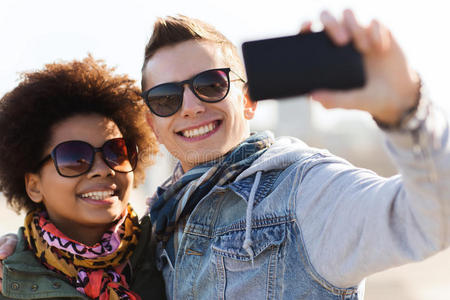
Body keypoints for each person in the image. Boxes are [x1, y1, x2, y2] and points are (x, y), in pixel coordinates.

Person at [2, 9, 450, 299]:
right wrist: (18, 253)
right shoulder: (159, 227)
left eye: (211, 84)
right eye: (164, 98)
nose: (192, 106)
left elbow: (430, 219)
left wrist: (406, 110)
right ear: (154, 123)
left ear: (248, 100)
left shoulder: (302, 190)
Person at [0, 57, 165, 299]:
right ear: (34, 186)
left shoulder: (172, 253)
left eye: (116, 152)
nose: (103, 169)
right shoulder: (8, 280)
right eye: (75, 157)